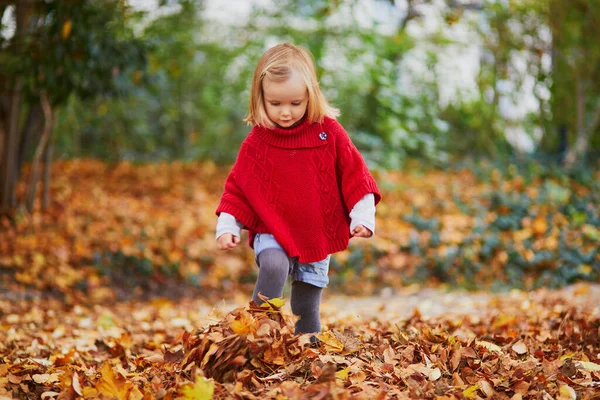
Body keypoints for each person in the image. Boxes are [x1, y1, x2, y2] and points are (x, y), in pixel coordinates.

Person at [215, 42, 381, 336]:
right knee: (274, 265)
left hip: (315, 232)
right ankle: (257, 332)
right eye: (275, 104)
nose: (286, 113)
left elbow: (355, 174)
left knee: (306, 304)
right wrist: (228, 225)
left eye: (295, 103)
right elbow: (238, 188)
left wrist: (362, 216)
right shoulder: (258, 141)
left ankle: (309, 355)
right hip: (272, 228)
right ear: (260, 98)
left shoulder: (328, 132)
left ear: (310, 96)